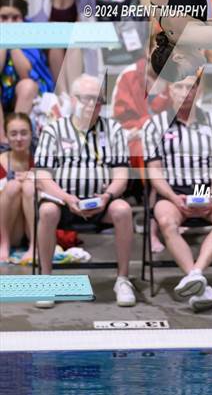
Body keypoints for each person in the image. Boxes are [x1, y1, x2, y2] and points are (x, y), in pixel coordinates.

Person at [34, 74, 136, 308]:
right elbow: (42, 177)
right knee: (47, 211)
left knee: (122, 209)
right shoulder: (54, 130)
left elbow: (122, 174)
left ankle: (122, 280)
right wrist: (66, 198)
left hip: (101, 202)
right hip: (63, 203)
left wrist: (108, 196)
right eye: (87, 99)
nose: (93, 104)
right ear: (73, 99)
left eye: (98, 100)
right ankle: (45, 280)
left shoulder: (114, 130)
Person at [142, 73, 212, 312]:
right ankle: (199, 284)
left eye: (191, 87)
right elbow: (154, 172)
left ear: (199, 91)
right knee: (165, 220)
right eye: (179, 87)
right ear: (170, 91)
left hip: (209, 189)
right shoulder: (154, 126)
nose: (185, 92)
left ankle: (195, 274)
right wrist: (173, 197)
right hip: (173, 192)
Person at [111, 53, 171, 252]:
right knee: (155, 161)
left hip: (168, 136)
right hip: (136, 138)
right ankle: (152, 232)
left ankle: (180, 214)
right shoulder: (129, 75)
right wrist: (149, 126)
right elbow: (119, 121)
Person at [27, 0, 96, 93]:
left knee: (74, 43)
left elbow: (88, 27)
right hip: (47, 43)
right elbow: (32, 29)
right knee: (56, 42)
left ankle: (73, 94)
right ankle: (61, 94)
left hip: (74, 44)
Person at [0, 0, 54, 143]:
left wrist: (12, 43)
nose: (9, 23)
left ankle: (16, 133)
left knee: (28, 86)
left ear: (23, 19)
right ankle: (3, 140)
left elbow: (26, 74)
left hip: (25, 93)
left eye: (15, 18)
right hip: (3, 91)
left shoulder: (30, 33)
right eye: (3, 18)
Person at [0, 113, 35, 263]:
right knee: (13, 186)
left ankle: (35, 245)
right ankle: (4, 243)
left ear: (31, 134)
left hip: (30, 226)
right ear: (6, 136)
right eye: (13, 134)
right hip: (9, 225)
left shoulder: (40, 161)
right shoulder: (1, 161)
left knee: (28, 186)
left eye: (24, 133)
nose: (19, 139)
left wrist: (34, 177)